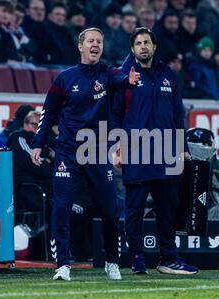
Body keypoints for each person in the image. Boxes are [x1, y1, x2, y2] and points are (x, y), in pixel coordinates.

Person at [31, 28, 140, 281]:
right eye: (90, 41)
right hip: (68, 152)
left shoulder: (108, 73)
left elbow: (122, 78)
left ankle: (112, 261)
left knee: (110, 210)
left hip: (97, 152)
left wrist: (130, 80)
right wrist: (38, 143)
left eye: (99, 42)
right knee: (61, 207)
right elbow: (48, 113)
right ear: (80, 46)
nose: (95, 45)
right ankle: (62, 265)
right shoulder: (64, 79)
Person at [111, 27, 198, 275]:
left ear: (154, 46)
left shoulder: (169, 75)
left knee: (167, 208)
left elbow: (178, 114)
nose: (143, 47)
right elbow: (115, 114)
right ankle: (137, 257)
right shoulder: (123, 77)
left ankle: (168, 258)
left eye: (147, 42)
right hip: (135, 150)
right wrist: (117, 147)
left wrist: (182, 148)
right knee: (134, 209)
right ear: (132, 49)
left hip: (166, 151)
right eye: (138, 43)